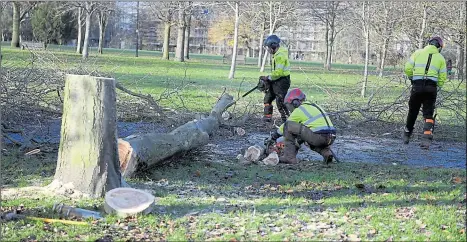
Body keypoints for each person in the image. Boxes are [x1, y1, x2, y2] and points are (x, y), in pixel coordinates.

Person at [267, 88, 337, 164]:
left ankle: (289, 157)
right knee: (305, 137)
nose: (290, 109)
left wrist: (274, 136)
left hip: (318, 136)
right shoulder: (315, 106)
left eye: (289, 105)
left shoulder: (300, 110)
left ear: (295, 102)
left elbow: (285, 125)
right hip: (330, 137)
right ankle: (327, 154)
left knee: (288, 126)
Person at [403, 36, 447, 149]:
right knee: (428, 114)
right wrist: (438, 85)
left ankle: (407, 135)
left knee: (412, 111)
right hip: (431, 88)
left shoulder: (418, 53)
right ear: (439, 47)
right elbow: (442, 77)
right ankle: (426, 140)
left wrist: (412, 78)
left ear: (429, 43)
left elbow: (407, 67)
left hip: (417, 86)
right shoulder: (441, 58)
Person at [259, 35, 291, 123]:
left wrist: (268, 77)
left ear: (273, 46)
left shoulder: (280, 56)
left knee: (280, 101)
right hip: (276, 79)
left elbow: (279, 73)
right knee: (268, 98)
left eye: (269, 48)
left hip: (282, 81)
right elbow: (276, 73)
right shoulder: (276, 54)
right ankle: (267, 117)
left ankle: (287, 121)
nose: (268, 50)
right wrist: (269, 78)